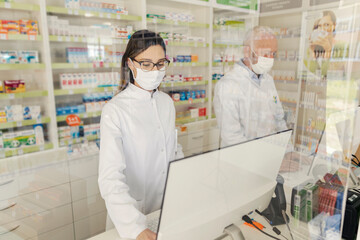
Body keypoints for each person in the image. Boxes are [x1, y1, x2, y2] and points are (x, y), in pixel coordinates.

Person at [98, 30, 175, 240]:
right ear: (130, 64)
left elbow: (174, 153)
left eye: (160, 63)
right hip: (132, 218)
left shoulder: (166, 103)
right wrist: (135, 228)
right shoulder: (115, 110)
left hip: (166, 210)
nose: (155, 70)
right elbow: (110, 178)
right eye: (146, 64)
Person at [213, 26, 287, 147]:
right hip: (241, 160)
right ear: (247, 51)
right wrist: (259, 156)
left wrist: (287, 151)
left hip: (269, 155)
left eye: (273, 53)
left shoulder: (268, 80)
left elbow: (279, 120)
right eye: (266, 53)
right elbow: (231, 137)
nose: (271, 59)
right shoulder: (227, 85)